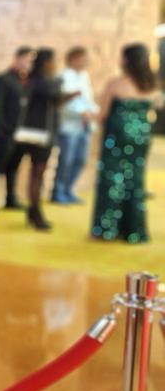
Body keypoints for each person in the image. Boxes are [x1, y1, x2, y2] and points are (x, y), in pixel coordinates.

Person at [91, 43, 162, 243]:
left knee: (112, 179)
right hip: (141, 136)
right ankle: (133, 230)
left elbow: (102, 114)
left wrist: (88, 116)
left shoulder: (116, 84)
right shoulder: (151, 85)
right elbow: (154, 107)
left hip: (117, 136)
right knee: (135, 180)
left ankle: (107, 228)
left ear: (126, 60)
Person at [18, 48, 78, 231]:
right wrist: (70, 93)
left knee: (37, 173)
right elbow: (55, 98)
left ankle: (33, 209)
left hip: (38, 132)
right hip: (40, 134)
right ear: (47, 63)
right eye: (54, 61)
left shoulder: (35, 80)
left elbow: (55, 102)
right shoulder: (43, 82)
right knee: (38, 173)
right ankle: (35, 211)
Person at [0, 46, 34, 214]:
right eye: (26, 59)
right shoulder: (3, 79)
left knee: (14, 166)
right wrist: (2, 128)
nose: (28, 64)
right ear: (18, 58)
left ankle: (10, 197)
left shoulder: (27, 81)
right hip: (6, 132)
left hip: (22, 132)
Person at [51, 47, 98, 204]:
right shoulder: (63, 77)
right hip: (69, 124)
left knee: (80, 159)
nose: (86, 62)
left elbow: (88, 99)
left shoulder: (84, 76)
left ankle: (69, 189)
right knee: (66, 159)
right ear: (73, 59)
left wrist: (94, 112)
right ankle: (58, 192)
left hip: (85, 125)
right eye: (82, 59)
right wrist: (81, 112)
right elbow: (65, 101)